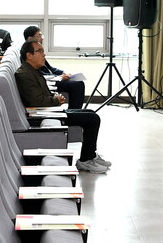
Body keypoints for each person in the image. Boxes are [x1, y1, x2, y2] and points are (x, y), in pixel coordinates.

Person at [16, 40, 110, 174]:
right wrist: (55, 100)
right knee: (92, 118)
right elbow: (36, 101)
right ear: (29, 55)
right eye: (40, 51)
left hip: (48, 110)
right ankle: (85, 160)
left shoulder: (32, 70)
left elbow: (41, 95)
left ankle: (90, 154)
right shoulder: (24, 74)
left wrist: (54, 97)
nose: (44, 55)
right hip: (42, 114)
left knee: (89, 112)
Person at [26, 26, 86, 110]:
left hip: (53, 78)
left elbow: (49, 68)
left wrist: (63, 73)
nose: (42, 39)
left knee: (78, 81)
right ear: (30, 38)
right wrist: (59, 78)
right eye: (39, 36)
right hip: (49, 82)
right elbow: (39, 74)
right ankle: (73, 112)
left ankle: (76, 111)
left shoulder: (38, 49)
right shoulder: (29, 53)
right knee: (77, 85)